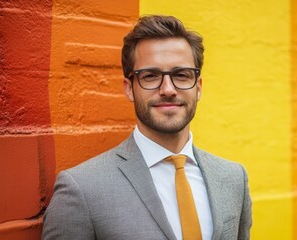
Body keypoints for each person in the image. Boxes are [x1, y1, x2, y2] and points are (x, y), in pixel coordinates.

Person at [42, 15, 252, 240]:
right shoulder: (82, 189)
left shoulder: (233, 178)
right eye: (151, 76)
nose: (168, 89)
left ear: (198, 87)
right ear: (130, 88)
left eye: (181, 75)